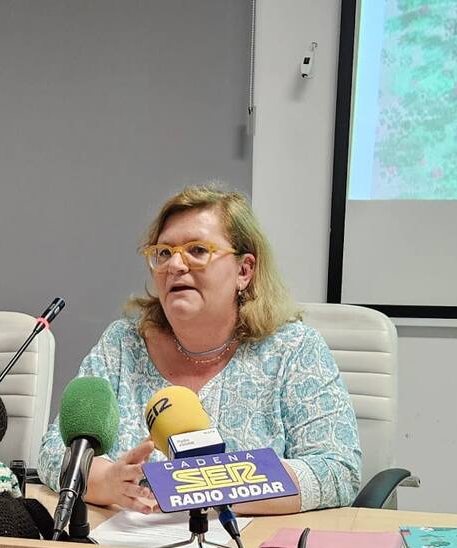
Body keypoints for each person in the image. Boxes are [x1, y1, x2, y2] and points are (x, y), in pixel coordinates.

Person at [38, 184, 361, 513]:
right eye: (164, 253)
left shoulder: (293, 349)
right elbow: (55, 452)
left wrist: (210, 487)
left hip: (248, 542)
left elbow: (337, 471)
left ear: (244, 271)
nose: (175, 265)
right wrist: (106, 482)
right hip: (126, 539)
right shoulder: (123, 344)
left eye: (197, 250)